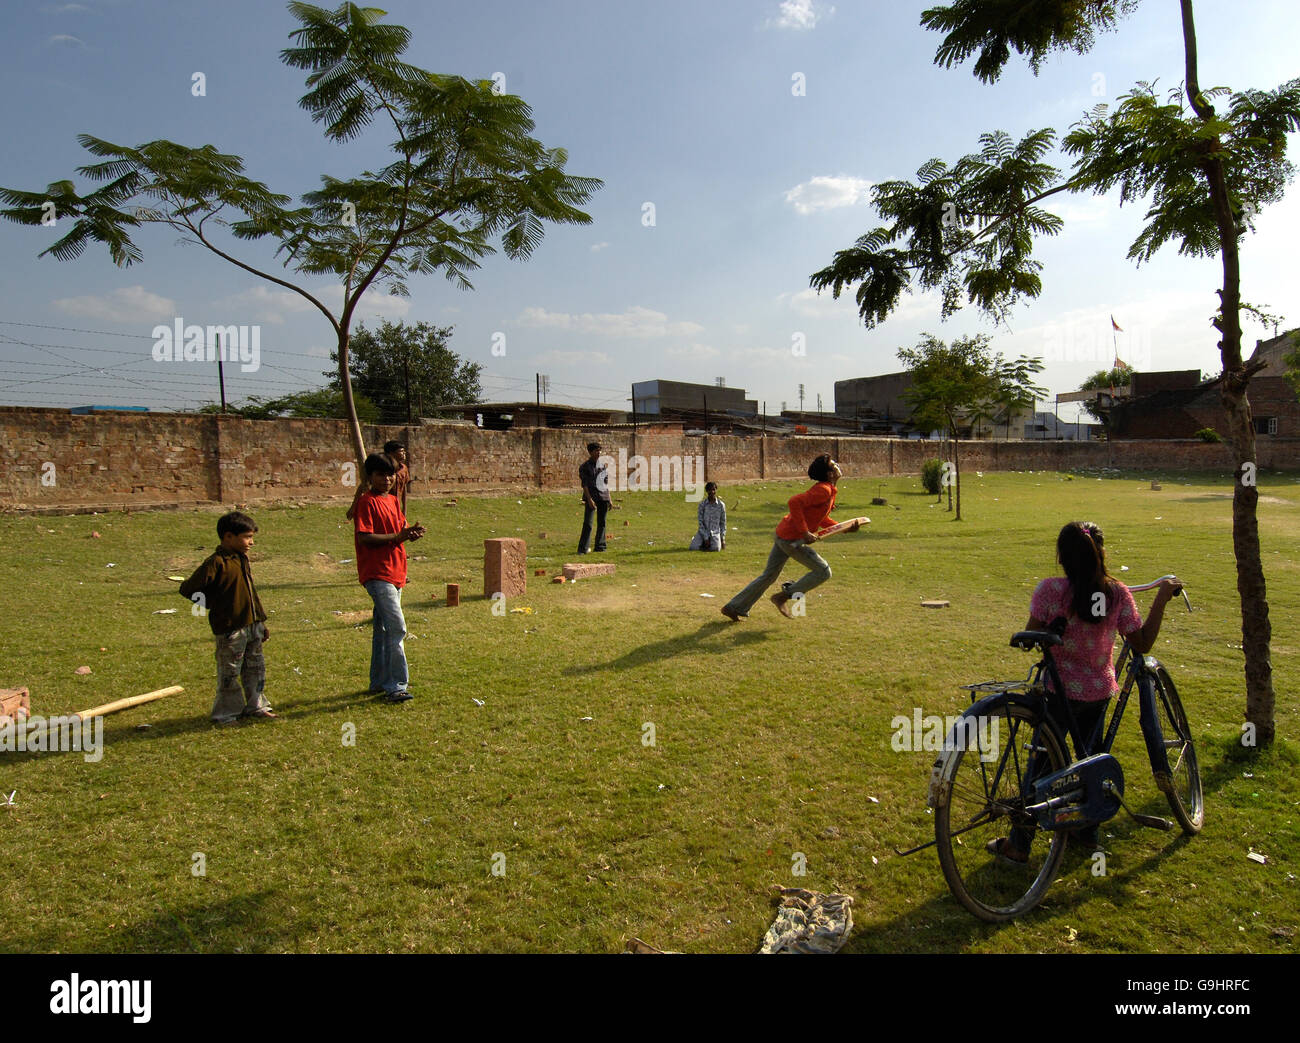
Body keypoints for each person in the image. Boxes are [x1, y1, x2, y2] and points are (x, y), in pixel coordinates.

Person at [989, 521, 1182, 862]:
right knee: (1091, 757)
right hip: (1098, 692)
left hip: (1057, 693)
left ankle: (1020, 844)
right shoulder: (1117, 594)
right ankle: (1087, 832)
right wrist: (1161, 600)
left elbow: (1030, 634)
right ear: (1101, 554)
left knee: (1043, 765)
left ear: (1062, 558)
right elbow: (1141, 643)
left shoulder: (1049, 591)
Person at [721, 454, 858, 621]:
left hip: (784, 534)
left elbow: (820, 518)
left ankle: (734, 607)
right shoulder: (824, 490)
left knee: (769, 576)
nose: (837, 465)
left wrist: (843, 528)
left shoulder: (828, 489)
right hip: (792, 540)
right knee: (823, 571)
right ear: (830, 474)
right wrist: (804, 532)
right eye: (833, 464)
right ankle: (783, 596)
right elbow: (794, 502)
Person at [179, 511, 277, 724]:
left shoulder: (242, 559)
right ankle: (226, 713)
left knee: (255, 667)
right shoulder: (216, 562)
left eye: (252, 537)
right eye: (246, 537)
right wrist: (215, 605)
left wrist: (261, 621)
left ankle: (257, 706)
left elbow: (251, 592)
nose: (251, 542)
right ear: (228, 537)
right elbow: (188, 589)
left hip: (252, 625)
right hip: (230, 629)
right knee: (230, 672)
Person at [353, 453, 426, 703]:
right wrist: (398, 537)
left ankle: (378, 681)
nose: (387, 479)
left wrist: (410, 534)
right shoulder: (366, 502)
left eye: (391, 475)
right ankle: (396, 686)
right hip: (377, 573)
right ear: (370, 477)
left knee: (383, 629)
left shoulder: (393, 501)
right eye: (381, 475)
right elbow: (365, 537)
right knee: (397, 628)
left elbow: (399, 531)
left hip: (396, 571)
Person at [346, 440, 410, 521]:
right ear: (391, 453)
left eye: (390, 474)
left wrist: (404, 509)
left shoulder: (403, 469)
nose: (387, 479)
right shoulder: (368, 502)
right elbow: (363, 485)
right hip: (381, 506)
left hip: (394, 506)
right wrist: (353, 507)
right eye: (401, 451)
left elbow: (403, 488)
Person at [578, 442, 616, 554]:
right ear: (590, 452)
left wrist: (609, 498)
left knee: (602, 523)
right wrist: (589, 499)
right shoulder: (584, 467)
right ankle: (583, 548)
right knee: (588, 523)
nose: (598, 453)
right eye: (596, 451)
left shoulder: (602, 465)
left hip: (602, 496)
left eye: (599, 450)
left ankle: (600, 546)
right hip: (591, 496)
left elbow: (605, 482)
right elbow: (584, 484)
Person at [690, 482, 727, 551]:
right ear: (707, 491)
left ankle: (709, 545)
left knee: (716, 548)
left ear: (716, 490)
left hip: (715, 532)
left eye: (713, 489)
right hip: (703, 532)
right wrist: (705, 537)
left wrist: (722, 539)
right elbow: (700, 522)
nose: (712, 492)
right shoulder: (702, 505)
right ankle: (704, 544)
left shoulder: (721, 505)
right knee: (693, 547)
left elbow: (723, 522)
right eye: (710, 490)